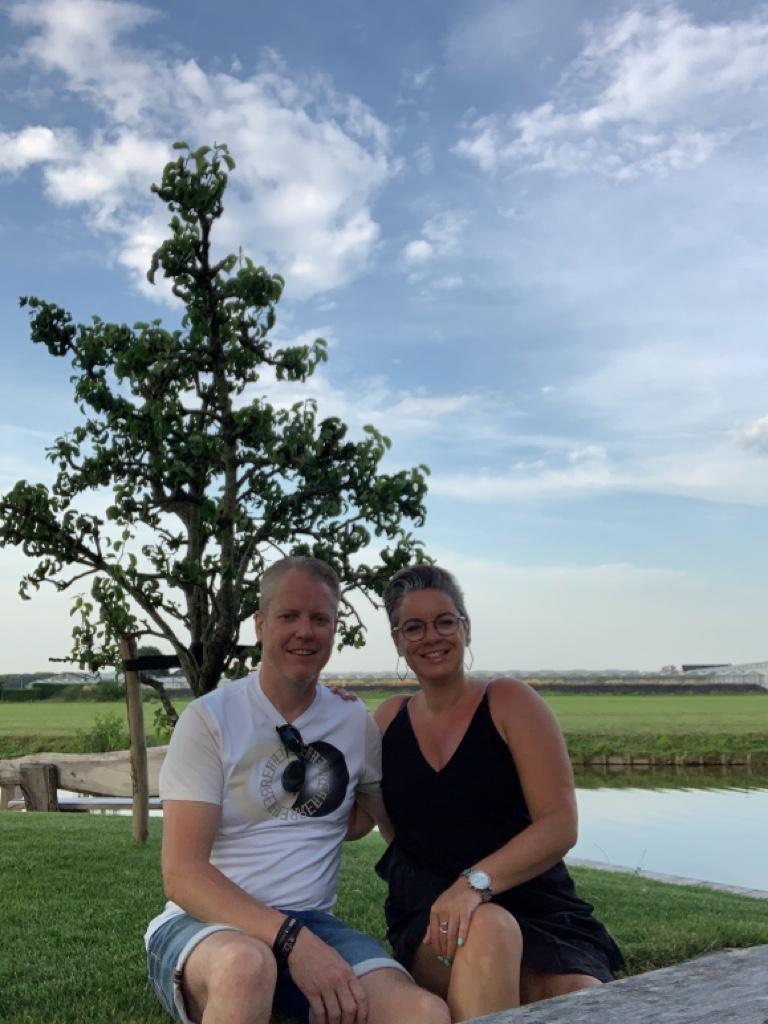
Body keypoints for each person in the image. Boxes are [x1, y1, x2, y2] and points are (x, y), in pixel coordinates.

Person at [145, 556, 450, 1024]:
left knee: (423, 1013)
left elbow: (370, 819)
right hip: (207, 926)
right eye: (288, 616)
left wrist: (471, 880)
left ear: (334, 628)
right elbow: (182, 874)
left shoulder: (352, 721)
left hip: (314, 922)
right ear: (260, 624)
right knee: (247, 967)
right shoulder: (209, 719)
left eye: (319, 619)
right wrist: (291, 939)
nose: (304, 631)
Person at [373, 564, 624, 1023]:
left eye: (445, 621)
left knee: (583, 1000)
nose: (432, 636)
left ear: (466, 628)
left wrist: (473, 884)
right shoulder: (387, 720)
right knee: (487, 929)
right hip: (435, 917)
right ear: (397, 640)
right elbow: (371, 820)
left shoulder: (510, 702)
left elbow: (559, 824)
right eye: (414, 627)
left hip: (539, 908)